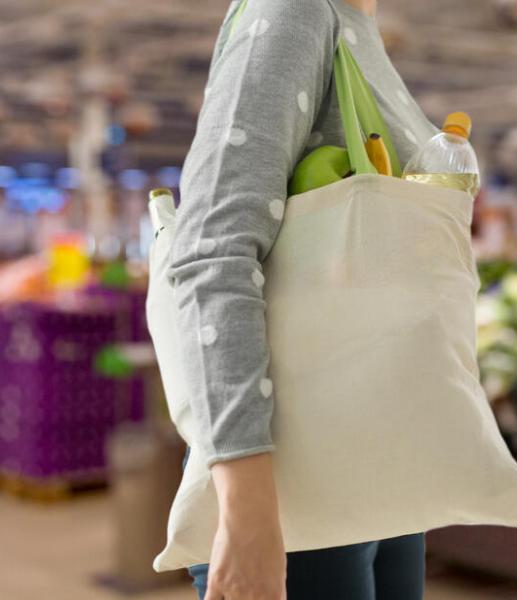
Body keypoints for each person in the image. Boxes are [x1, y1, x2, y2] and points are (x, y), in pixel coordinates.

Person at [168, 0, 439, 597]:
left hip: (378, 456)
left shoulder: (354, 25)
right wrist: (248, 518)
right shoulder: (295, 10)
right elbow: (214, 250)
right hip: (297, 485)